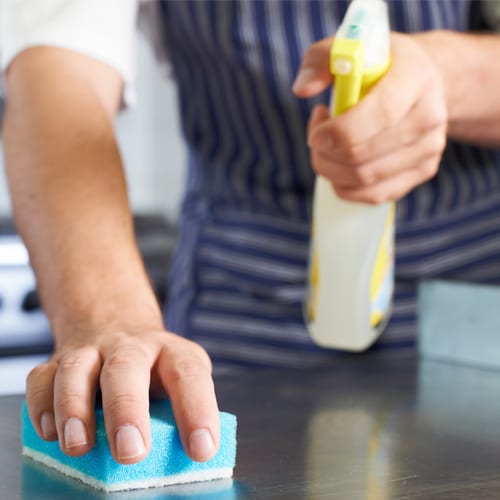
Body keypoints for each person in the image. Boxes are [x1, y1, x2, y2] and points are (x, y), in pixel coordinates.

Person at [1, 0, 500, 466]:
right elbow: (59, 70)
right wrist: (107, 315)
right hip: (242, 310)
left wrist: (446, 75)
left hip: (475, 312)